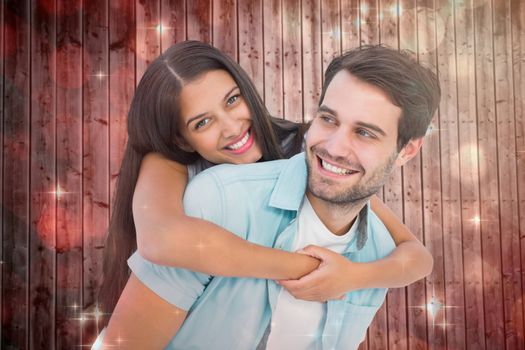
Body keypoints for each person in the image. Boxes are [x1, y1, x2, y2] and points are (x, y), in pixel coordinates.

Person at [99, 44, 439, 349]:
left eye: (233, 100)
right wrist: (307, 268)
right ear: (182, 140)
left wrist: (351, 276)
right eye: (202, 122)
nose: (232, 127)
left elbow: (415, 256)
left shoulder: (310, 149)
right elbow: (161, 241)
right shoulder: (176, 168)